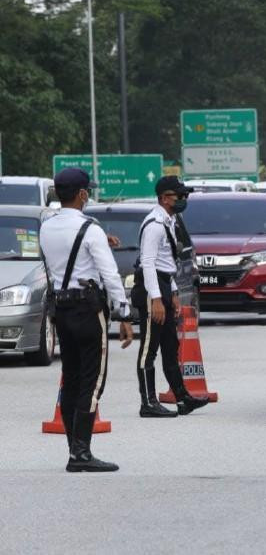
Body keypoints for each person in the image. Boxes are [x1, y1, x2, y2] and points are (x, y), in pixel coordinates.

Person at [39, 168, 134, 472]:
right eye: (87, 191)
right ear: (81, 194)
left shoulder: (46, 227)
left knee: (72, 377)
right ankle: (81, 452)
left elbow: (61, 257)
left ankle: (73, 448)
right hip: (88, 310)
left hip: (61, 311)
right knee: (92, 381)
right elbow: (109, 273)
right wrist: (124, 312)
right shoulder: (89, 229)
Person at [133, 176, 208, 417]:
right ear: (165, 198)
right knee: (149, 348)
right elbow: (148, 263)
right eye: (179, 196)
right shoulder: (155, 224)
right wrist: (156, 299)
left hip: (163, 284)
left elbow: (166, 262)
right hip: (150, 287)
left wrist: (173, 292)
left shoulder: (169, 220)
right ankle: (148, 402)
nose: (183, 200)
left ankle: (183, 398)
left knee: (170, 346)